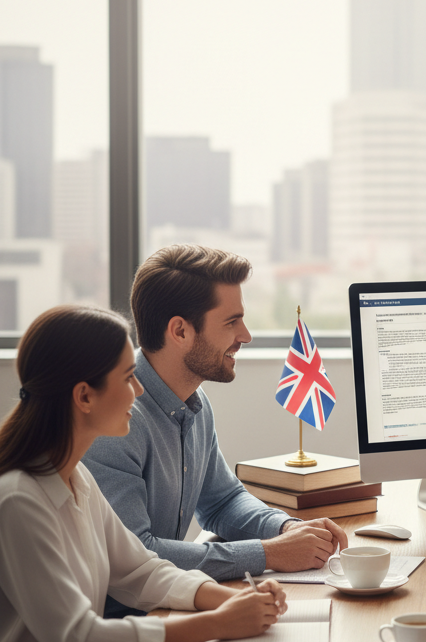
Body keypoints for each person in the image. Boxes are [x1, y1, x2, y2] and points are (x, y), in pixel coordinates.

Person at [0, 305, 292, 642]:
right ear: (83, 395)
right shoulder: (18, 500)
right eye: (128, 377)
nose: (139, 392)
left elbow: (141, 571)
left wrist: (220, 598)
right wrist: (216, 625)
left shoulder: (72, 480)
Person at [83, 245, 348, 611]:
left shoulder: (195, 402)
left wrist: (287, 529)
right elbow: (138, 555)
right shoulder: (118, 421)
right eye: (231, 322)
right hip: (122, 631)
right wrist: (268, 553)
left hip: (168, 608)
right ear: (179, 331)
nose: (246, 335)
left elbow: (222, 501)